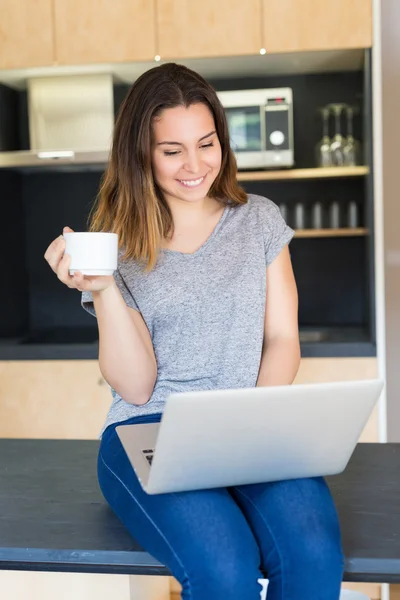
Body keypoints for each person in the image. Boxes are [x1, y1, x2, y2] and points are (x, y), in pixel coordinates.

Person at [44, 62, 344, 600]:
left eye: (206, 144)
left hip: (249, 423)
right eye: (172, 150)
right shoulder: (116, 246)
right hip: (148, 431)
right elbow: (136, 388)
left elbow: (281, 339)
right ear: (142, 154)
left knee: (314, 557)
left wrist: (252, 422)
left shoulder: (259, 220)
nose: (195, 164)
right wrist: (105, 288)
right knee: (224, 572)